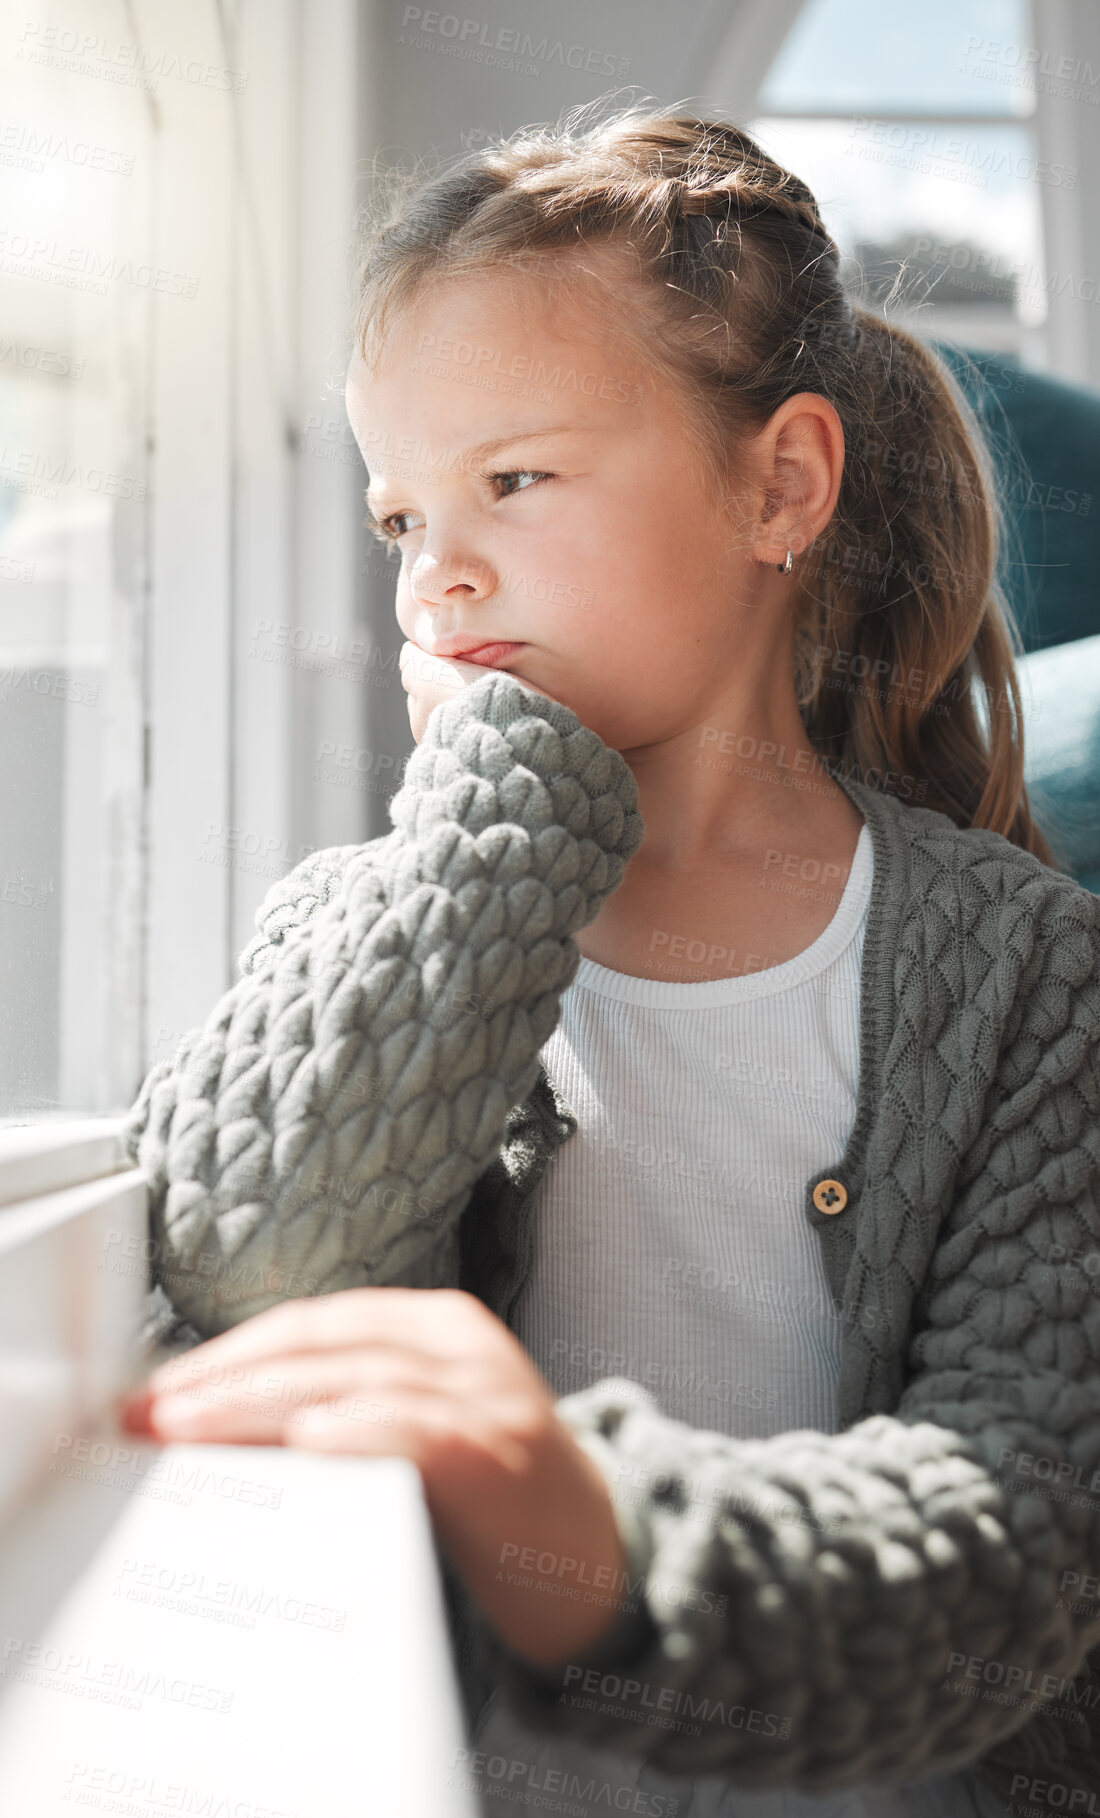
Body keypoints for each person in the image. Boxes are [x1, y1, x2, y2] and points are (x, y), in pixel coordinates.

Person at [118, 99, 1100, 1818]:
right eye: (400, 520)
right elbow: (236, 1255)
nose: (441, 575)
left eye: (512, 479)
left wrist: (592, 1526)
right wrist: (499, 822)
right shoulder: (375, 912)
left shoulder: (1024, 973)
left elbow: (1018, 1559)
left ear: (778, 483)